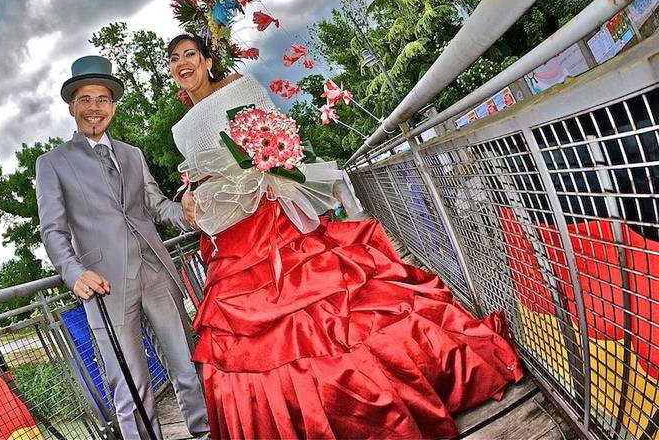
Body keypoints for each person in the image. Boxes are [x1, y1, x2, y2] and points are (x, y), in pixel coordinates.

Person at [167, 34, 523, 440]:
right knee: (243, 338)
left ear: (207, 59)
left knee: (324, 301)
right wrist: (186, 196)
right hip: (228, 233)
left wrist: (267, 161)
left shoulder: (237, 85)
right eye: (174, 58)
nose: (183, 63)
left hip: (267, 211)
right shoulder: (180, 128)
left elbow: (275, 131)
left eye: (189, 54)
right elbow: (194, 173)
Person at [36, 55, 209, 440]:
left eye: (102, 98)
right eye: (85, 99)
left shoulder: (133, 155)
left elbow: (157, 205)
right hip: (104, 283)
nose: (94, 107)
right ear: (72, 107)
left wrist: (187, 213)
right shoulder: (52, 163)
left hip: (156, 270)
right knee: (130, 385)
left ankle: (204, 432)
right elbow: (52, 229)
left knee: (186, 363)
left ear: (113, 106)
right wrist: (73, 271)